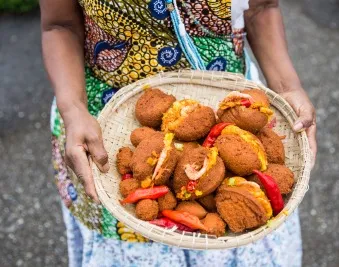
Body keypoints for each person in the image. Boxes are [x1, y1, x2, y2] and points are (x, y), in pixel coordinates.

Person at [41, 0, 316, 266]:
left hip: (228, 98)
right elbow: (59, 24)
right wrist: (73, 109)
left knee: (238, 224)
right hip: (104, 119)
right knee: (133, 224)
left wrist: (287, 86)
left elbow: (261, 7)